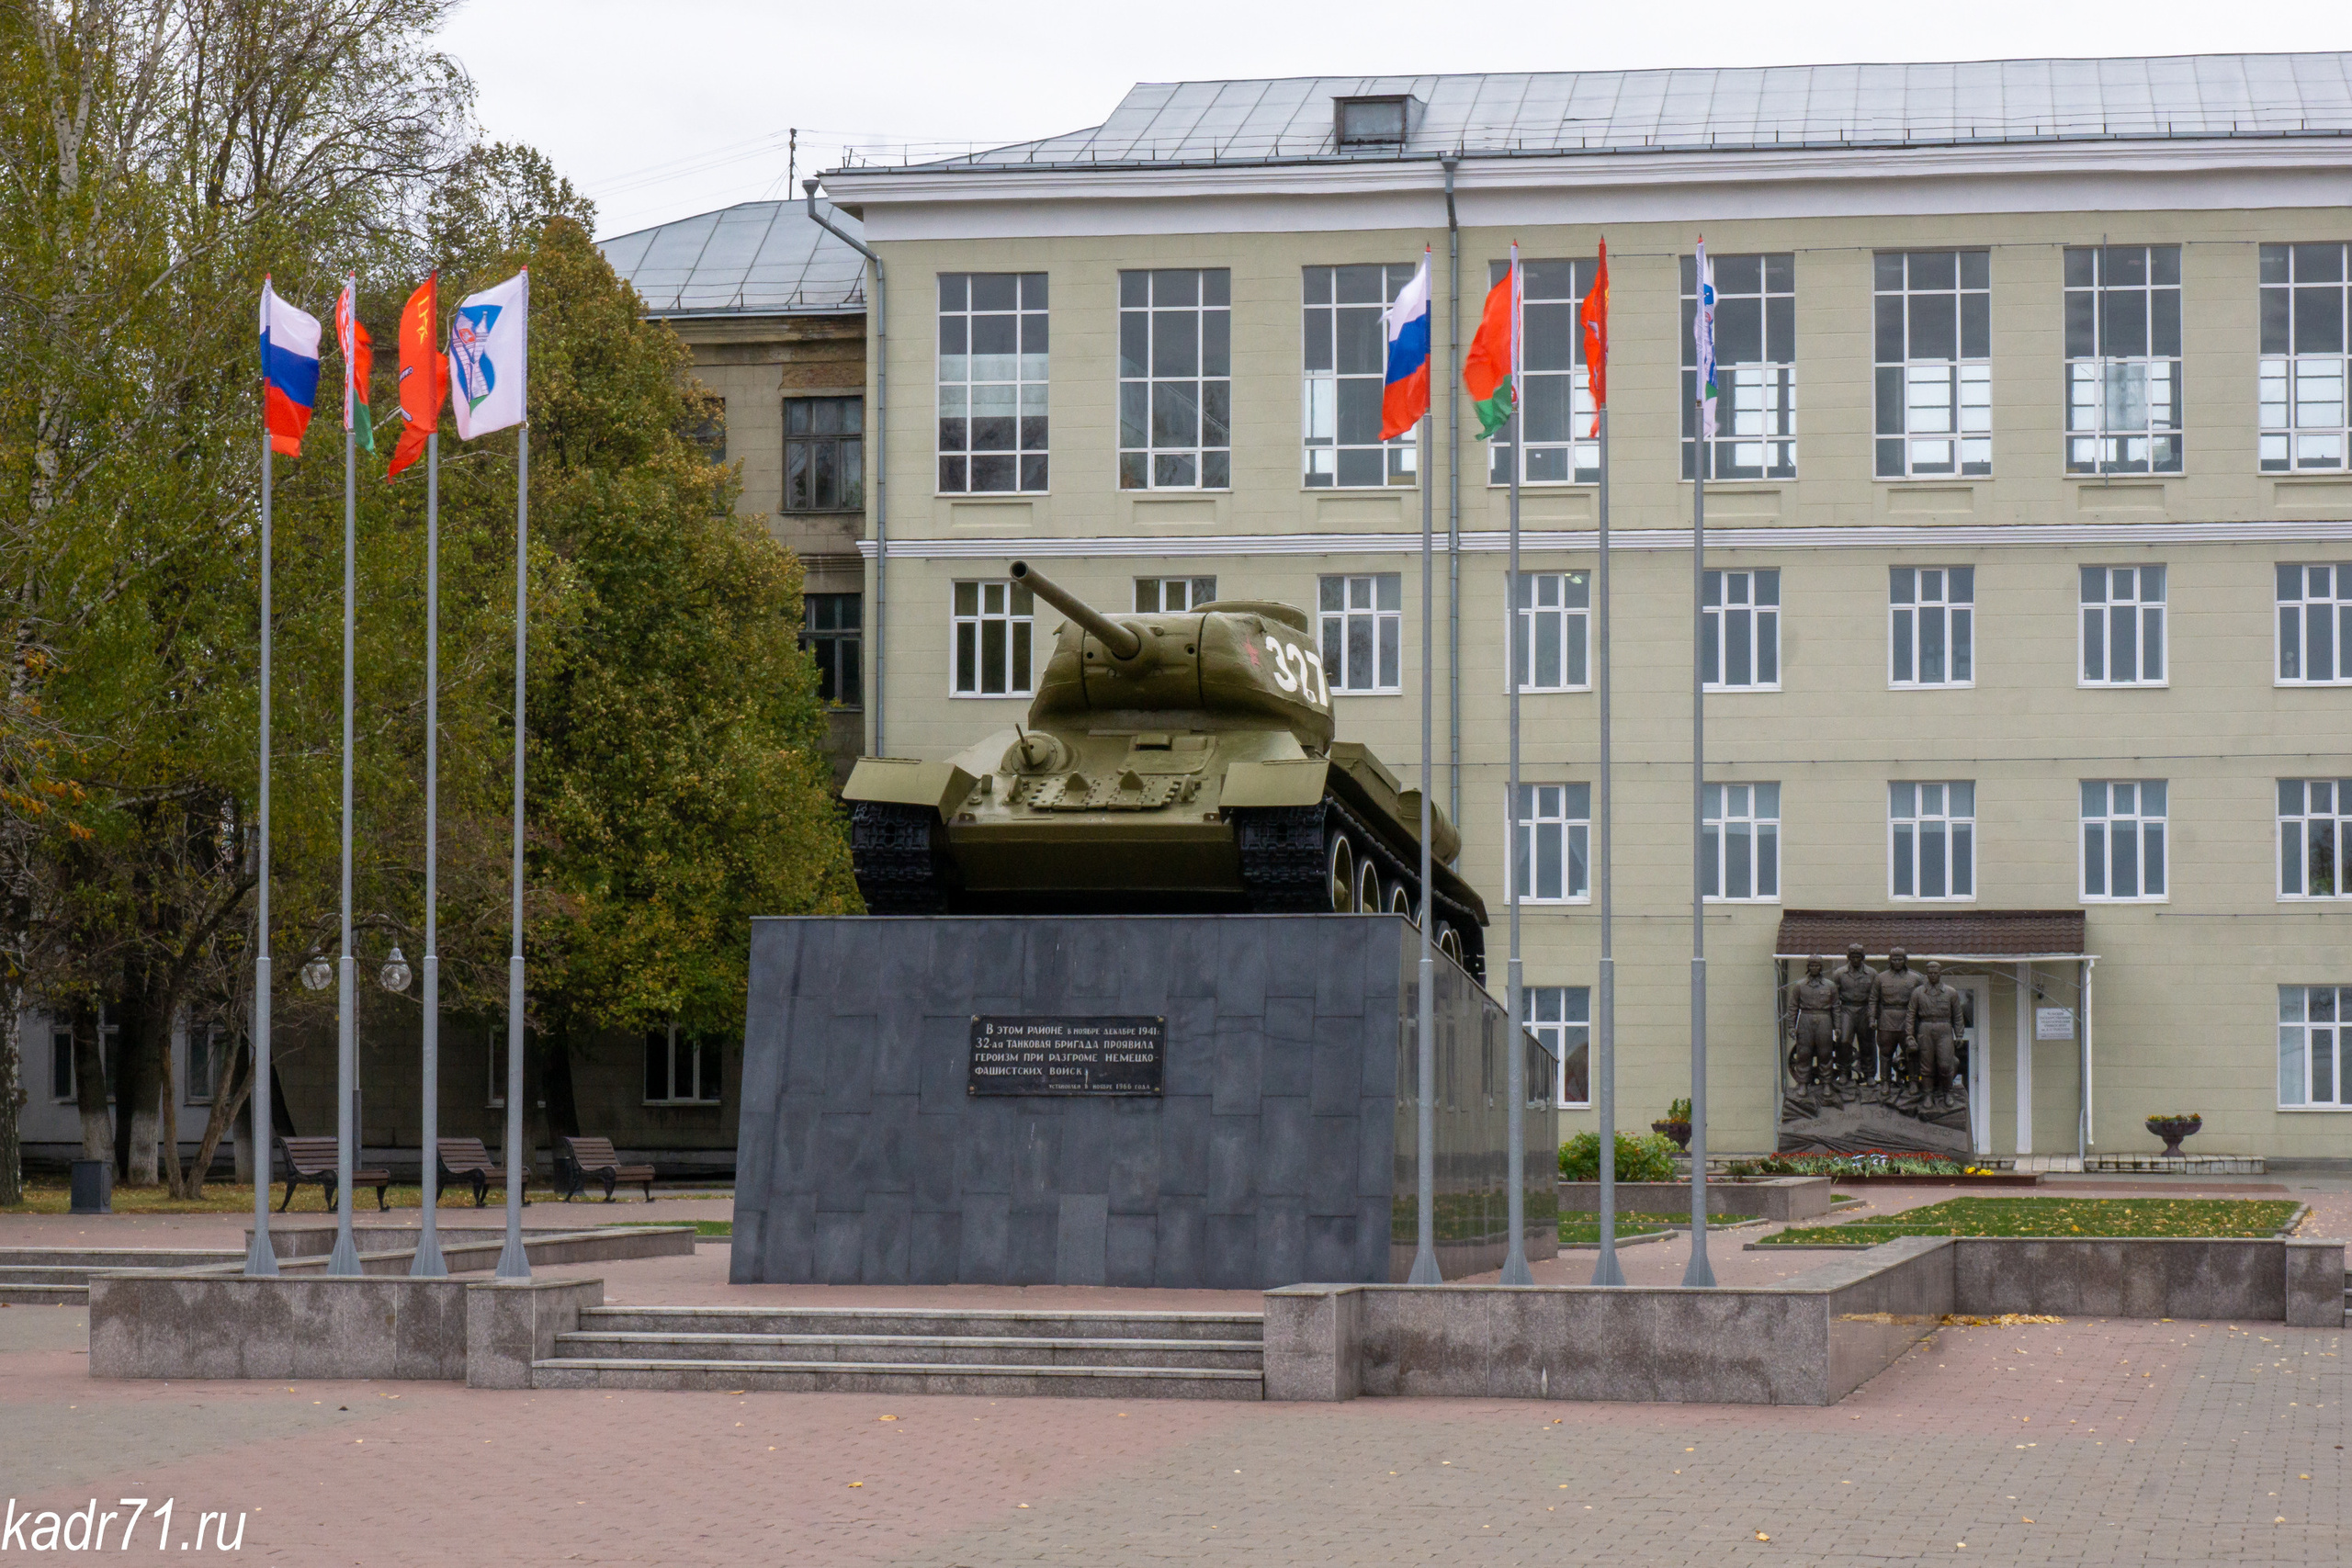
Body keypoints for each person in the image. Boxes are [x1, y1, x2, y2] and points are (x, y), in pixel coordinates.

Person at [1905, 960, 1970, 1108]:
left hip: (1944, 1029)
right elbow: (1910, 1015)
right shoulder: (1918, 992)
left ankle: (1947, 1092)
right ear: (1927, 975)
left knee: (1945, 1064)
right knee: (1926, 1065)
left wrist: (1959, 1034)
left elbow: (1958, 1015)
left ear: (1940, 974)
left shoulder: (1950, 992)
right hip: (1925, 1028)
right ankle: (1928, 1095)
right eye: (1930, 973)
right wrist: (1910, 1036)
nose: (1933, 976)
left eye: (1936, 973)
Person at [1870, 948, 1927, 1100]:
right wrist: (1872, 1019)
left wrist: (1921, 1022)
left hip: (1908, 1019)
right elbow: (1873, 999)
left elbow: (1923, 1000)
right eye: (1894, 959)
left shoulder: (1916, 978)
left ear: (1905, 960)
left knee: (1912, 1052)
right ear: (1889, 960)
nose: (1897, 962)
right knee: (1885, 1053)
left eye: (1900, 959)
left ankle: (1914, 1081)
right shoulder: (1880, 978)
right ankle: (1885, 1082)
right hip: (1886, 1019)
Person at [1786, 956, 1839, 1098]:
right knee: (1804, 1052)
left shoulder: (1830, 985)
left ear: (1821, 967)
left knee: (1825, 1052)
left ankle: (1827, 1083)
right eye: (1812, 965)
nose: (1814, 968)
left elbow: (1835, 1007)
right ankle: (1803, 1083)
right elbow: (1793, 1007)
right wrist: (1791, 1026)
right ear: (1808, 967)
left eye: (1817, 966)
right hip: (1806, 1019)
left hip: (1824, 1019)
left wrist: (1837, 1026)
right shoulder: (1800, 985)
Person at [1829, 943, 1878, 1095]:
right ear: (1848, 958)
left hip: (1865, 1009)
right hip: (1847, 1009)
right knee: (1843, 1041)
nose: (1855, 959)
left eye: (1858, 957)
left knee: (1867, 1042)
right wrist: (1836, 1020)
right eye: (1853, 957)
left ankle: (1869, 1074)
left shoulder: (1872, 973)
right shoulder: (1839, 973)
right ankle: (1844, 1072)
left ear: (1863, 958)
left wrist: (1873, 1016)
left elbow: (1875, 997)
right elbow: (1834, 999)